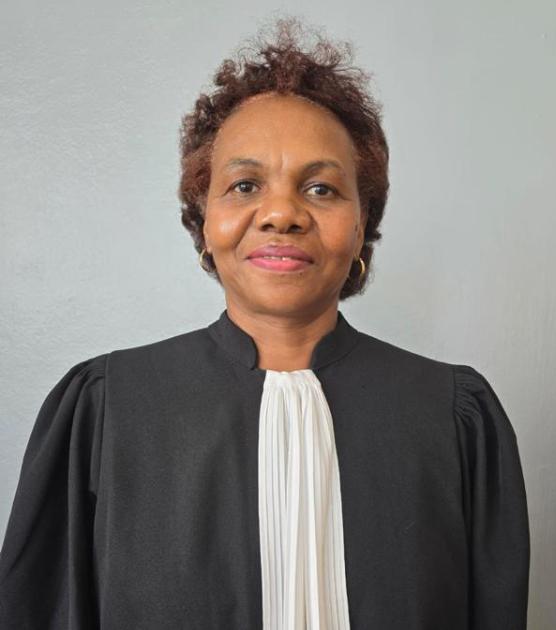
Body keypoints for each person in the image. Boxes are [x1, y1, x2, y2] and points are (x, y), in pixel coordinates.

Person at [0, 22, 529, 629]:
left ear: (361, 225)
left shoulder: (453, 417)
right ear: (204, 222)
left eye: (321, 188)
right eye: (245, 185)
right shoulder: (106, 412)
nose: (281, 213)